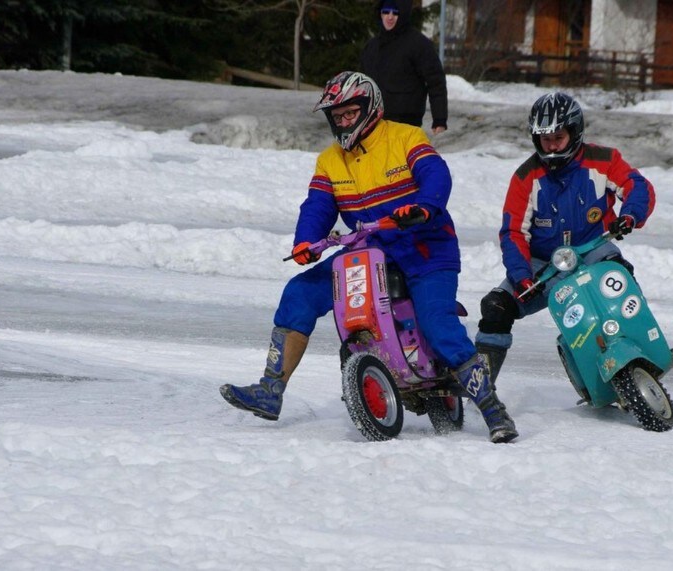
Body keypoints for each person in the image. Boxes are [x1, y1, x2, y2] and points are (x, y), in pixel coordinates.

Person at [219, 71, 517, 444]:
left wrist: (423, 207)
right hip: (367, 250)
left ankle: (492, 408)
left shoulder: (406, 137)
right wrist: (305, 242)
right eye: (337, 116)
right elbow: (317, 205)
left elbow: (435, 174)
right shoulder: (330, 160)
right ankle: (270, 389)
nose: (343, 122)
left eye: (349, 113)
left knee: (438, 324)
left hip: (425, 248)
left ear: (370, 108)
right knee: (299, 294)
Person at [474, 92, 656, 387]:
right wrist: (521, 276)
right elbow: (514, 232)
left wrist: (630, 215)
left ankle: (645, 357)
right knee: (495, 306)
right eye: (544, 139)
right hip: (544, 264)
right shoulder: (525, 177)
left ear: (575, 131)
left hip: (594, 251)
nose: (551, 145)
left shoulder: (604, 160)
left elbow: (636, 185)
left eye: (558, 137)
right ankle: (480, 388)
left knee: (622, 279)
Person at [360, 0, 448, 134]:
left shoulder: (418, 45)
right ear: (380, 13)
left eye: (395, 13)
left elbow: (436, 82)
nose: (390, 17)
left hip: (406, 126)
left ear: (403, 14)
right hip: (374, 127)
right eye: (386, 12)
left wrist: (439, 119)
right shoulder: (371, 48)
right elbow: (361, 86)